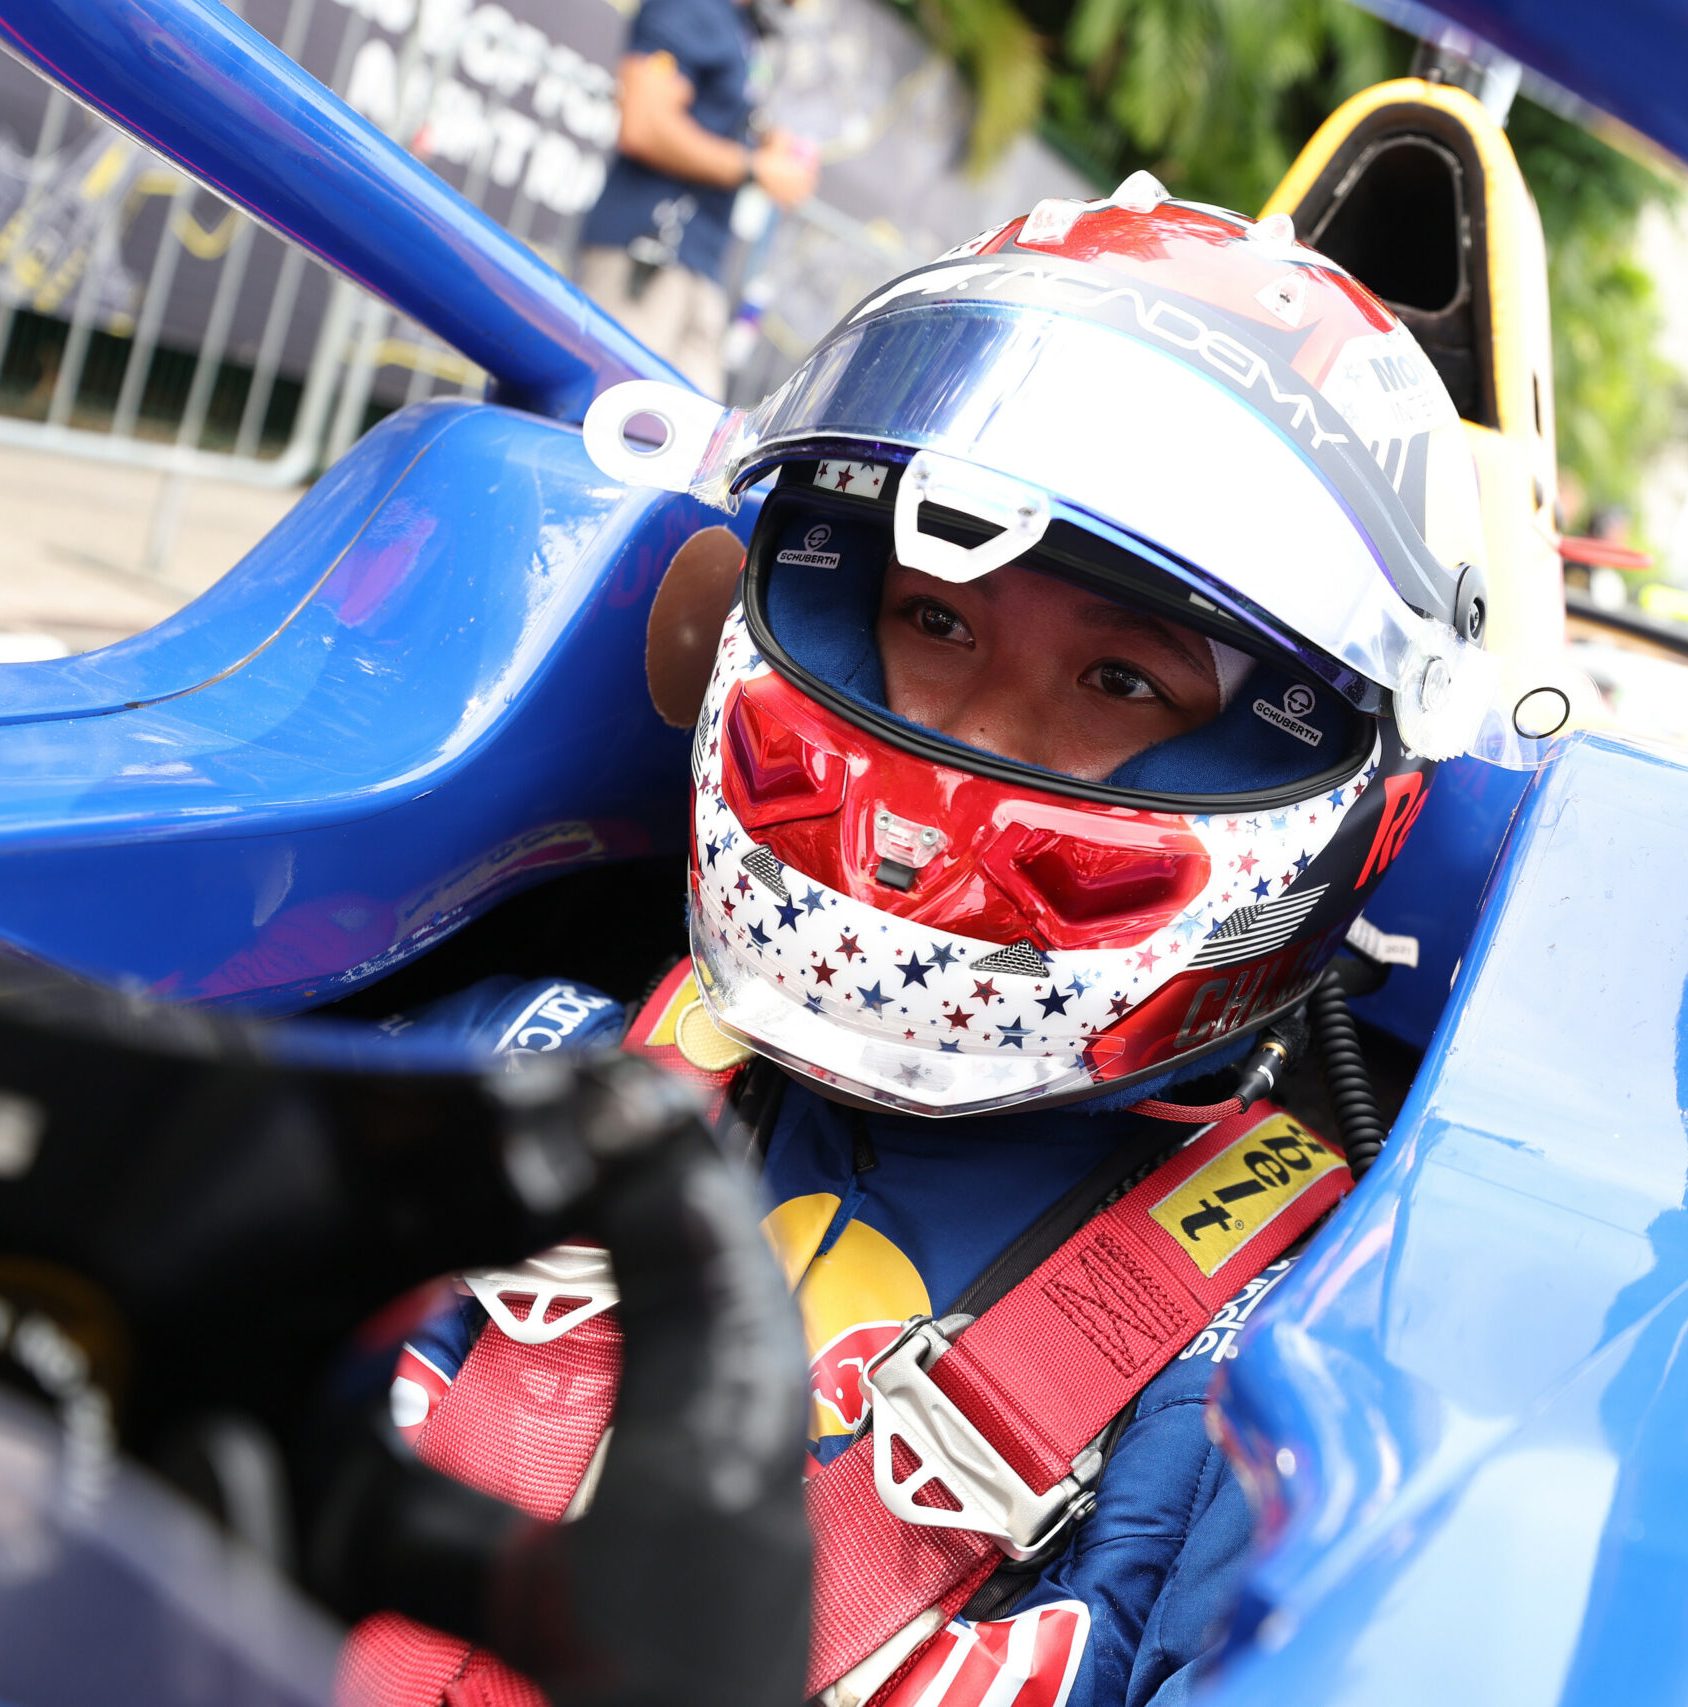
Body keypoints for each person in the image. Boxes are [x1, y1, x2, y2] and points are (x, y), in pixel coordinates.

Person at [344, 181, 1490, 1707]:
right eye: (935, 621)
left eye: (1121, 681)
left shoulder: (1291, 1394)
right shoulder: (503, 1057)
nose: (964, 743)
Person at [576, 0, 817, 394]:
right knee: (604, 423)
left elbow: (711, 112)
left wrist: (764, 137)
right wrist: (756, 167)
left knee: (695, 447)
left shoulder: (740, 26)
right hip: (646, 258)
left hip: (698, 270)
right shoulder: (691, 6)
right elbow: (643, 124)